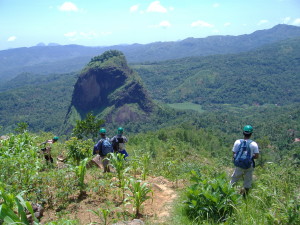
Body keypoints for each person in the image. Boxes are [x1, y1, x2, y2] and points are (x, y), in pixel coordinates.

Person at [230, 125, 259, 196]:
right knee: (247, 181)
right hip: (249, 166)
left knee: (234, 180)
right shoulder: (254, 144)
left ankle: (228, 193)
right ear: (251, 134)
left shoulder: (237, 142)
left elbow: (234, 154)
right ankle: (245, 196)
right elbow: (257, 156)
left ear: (243, 133)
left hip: (239, 165)